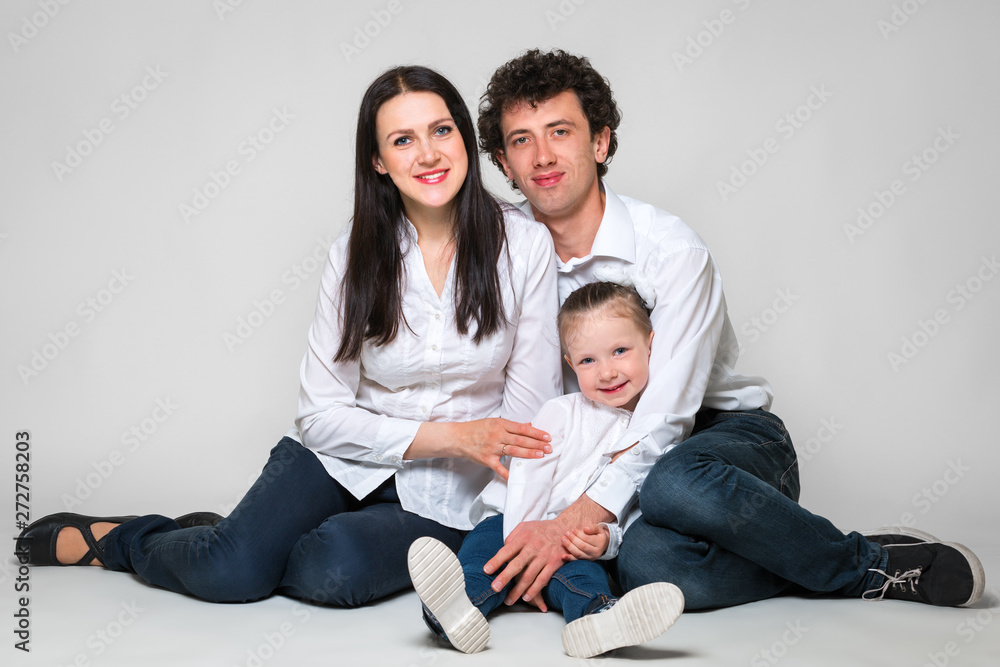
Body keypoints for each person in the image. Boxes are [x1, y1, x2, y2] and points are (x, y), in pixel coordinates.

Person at [15, 65, 564, 607]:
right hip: (342, 458)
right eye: (403, 140)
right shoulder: (356, 252)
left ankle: (239, 539)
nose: (428, 154)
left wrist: (507, 517)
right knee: (230, 572)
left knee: (338, 570)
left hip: (451, 495)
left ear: (465, 139)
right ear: (378, 161)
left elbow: (528, 420)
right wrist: (455, 436)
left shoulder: (523, 246)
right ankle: (124, 540)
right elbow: (321, 415)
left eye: (441, 130)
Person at [473, 49, 985, 611]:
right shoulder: (506, 254)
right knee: (649, 566)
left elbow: (666, 419)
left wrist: (566, 520)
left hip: (726, 444)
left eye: (560, 131)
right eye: (521, 139)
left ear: (599, 142)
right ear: (504, 160)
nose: (542, 155)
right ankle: (802, 555)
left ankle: (871, 566)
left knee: (672, 479)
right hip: (599, 446)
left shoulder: (671, 250)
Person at [407, 281, 684, 659]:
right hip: (509, 522)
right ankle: (455, 609)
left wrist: (607, 539)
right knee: (483, 562)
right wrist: (525, 542)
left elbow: (636, 505)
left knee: (584, 578)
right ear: (571, 364)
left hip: (571, 544)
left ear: (651, 345)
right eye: (588, 360)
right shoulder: (562, 411)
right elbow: (528, 477)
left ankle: (599, 617)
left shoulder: (658, 434)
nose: (606, 373)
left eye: (620, 351)